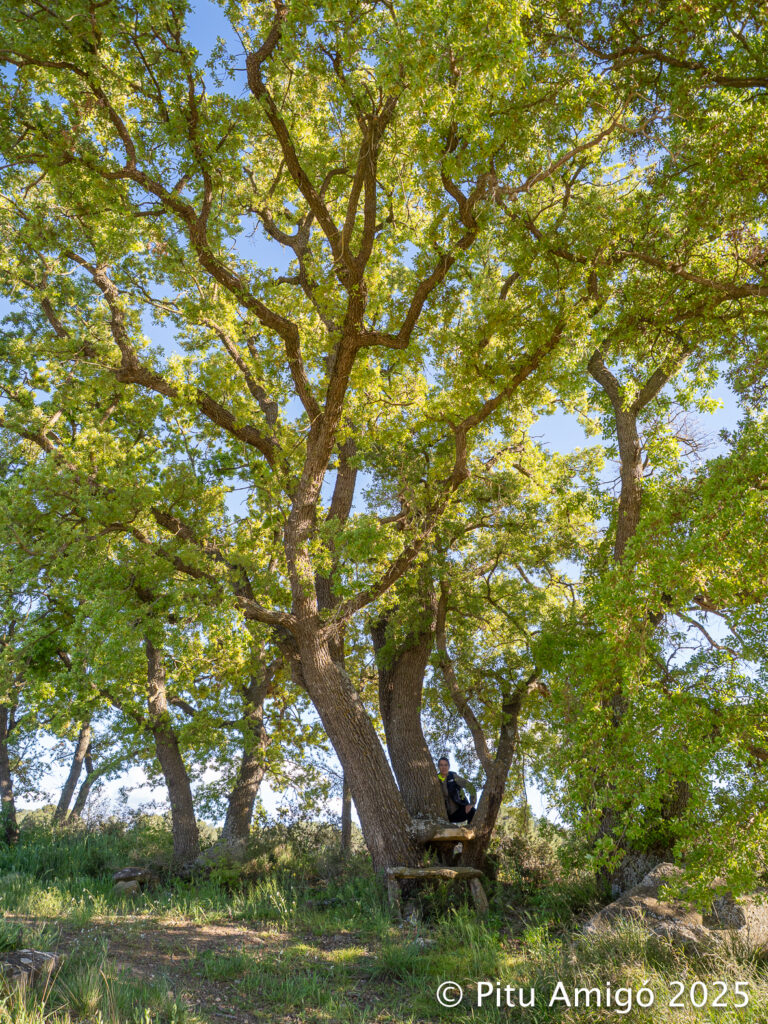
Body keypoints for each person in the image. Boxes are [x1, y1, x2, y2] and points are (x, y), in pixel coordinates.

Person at [436, 756, 476, 823]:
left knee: (473, 812)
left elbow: (470, 786)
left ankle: (471, 831)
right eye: (441, 765)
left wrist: (471, 803)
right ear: (438, 767)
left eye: (446, 765)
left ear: (449, 766)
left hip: (459, 810)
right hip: (445, 815)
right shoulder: (435, 779)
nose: (443, 767)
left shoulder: (454, 777)